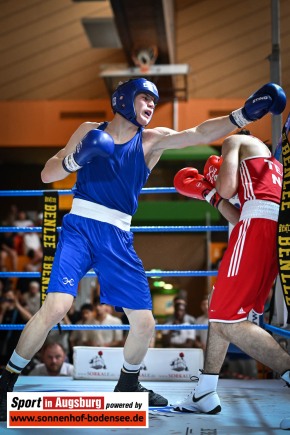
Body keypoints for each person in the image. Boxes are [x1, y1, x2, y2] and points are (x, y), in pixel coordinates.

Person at [0, 78, 286, 420]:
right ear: (123, 99)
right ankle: (7, 378)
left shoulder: (152, 140)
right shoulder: (90, 130)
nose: (151, 106)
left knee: (145, 323)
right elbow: (48, 174)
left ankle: (128, 385)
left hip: (118, 235)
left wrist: (242, 115)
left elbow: (199, 133)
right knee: (56, 306)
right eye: (145, 99)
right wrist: (75, 160)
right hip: (80, 226)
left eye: (154, 101)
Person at [172, 127, 290, 414]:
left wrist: (210, 188)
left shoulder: (234, 141)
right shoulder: (272, 165)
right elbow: (235, 214)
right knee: (219, 307)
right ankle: (205, 392)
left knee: (226, 319)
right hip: (272, 232)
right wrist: (211, 195)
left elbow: (225, 189)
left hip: (256, 228)